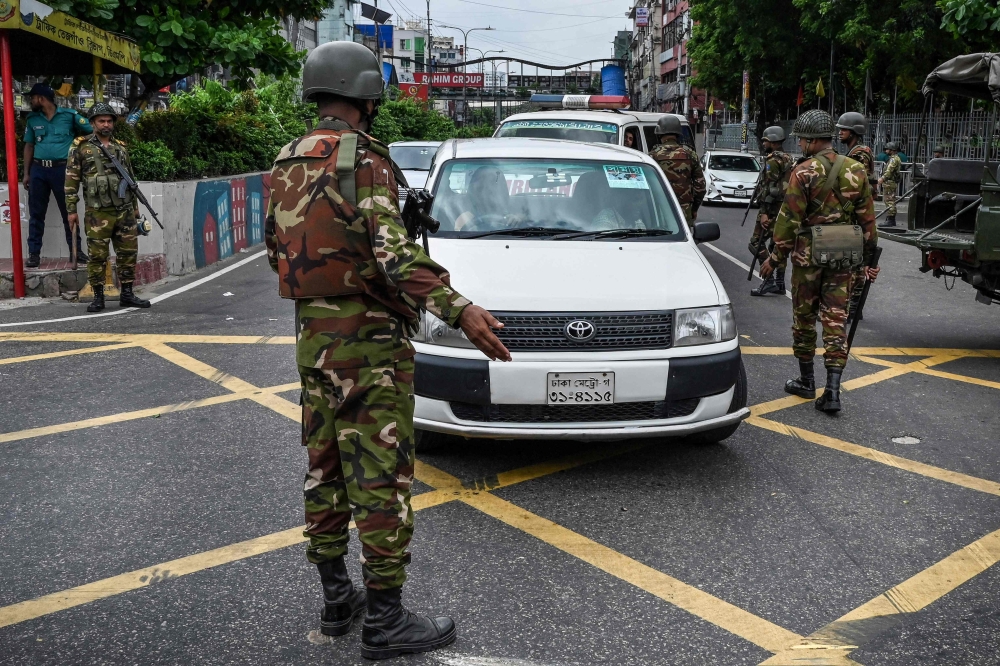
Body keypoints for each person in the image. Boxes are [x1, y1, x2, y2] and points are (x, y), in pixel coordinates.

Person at [263, 41, 511, 660]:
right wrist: (461, 310)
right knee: (380, 476)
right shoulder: (364, 160)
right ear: (367, 96)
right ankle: (385, 619)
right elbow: (396, 256)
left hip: (313, 339)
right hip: (370, 342)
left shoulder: (286, 159)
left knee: (324, 465)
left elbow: (276, 252)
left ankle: (336, 596)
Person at [759, 110, 879, 413]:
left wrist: (774, 259)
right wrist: (867, 262)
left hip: (808, 258)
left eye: (801, 138)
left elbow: (787, 223)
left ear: (812, 140)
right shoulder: (856, 169)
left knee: (804, 318)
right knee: (836, 319)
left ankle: (806, 380)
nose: (799, 143)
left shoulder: (803, 172)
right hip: (844, 257)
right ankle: (834, 391)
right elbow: (868, 224)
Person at [64, 103, 150, 312]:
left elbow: (130, 180)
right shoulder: (81, 147)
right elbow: (71, 180)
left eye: (109, 121)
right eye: (101, 121)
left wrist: (136, 207)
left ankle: (127, 294)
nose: (106, 125)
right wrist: (71, 210)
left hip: (124, 211)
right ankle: (98, 297)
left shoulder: (120, 147)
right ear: (93, 123)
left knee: (128, 254)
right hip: (97, 213)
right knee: (97, 257)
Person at [22, 82, 92, 268]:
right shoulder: (32, 119)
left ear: (41, 98)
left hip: (63, 170)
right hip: (38, 170)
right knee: (36, 214)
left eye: (33, 97)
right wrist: (26, 173)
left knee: (69, 212)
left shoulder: (69, 116)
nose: (31, 100)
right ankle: (34, 254)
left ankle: (75, 251)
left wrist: (78, 150)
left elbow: (91, 132)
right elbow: (29, 146)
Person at [836, 111, 876, 321]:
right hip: (854, 212)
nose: (840, 132)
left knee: (857, 264)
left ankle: (853, 309)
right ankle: (852, 308)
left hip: (857, 213)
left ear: (854, 132)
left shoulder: (859, 154)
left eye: (844, 129)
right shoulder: (854, 152)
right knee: (853, 261)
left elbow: (855, 184)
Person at [749, 126, 794, 296]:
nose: (763, 143)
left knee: (755, 242)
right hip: (784, 208)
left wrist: (764, 212)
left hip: (772, 208)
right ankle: (780, 283)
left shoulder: (773, 160)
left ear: (773, 141)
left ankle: (769, 280)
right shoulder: (788, 158)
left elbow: (770, 189)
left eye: (766, 140)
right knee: (776, 244)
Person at [649, 115, 706, 227]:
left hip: (659, 209)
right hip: (684, 210)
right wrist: (694, 209)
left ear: (660, 134)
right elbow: (701, 187)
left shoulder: (653, 155)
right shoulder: (690, 154)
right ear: (678, 134)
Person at [878, 141, 903, 229]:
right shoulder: (895, 158)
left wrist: (882, 179)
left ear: (892, 150)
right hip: (890, 182)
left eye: (888, 149)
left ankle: (891, 220)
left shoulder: (893, 159)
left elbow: (889, 171)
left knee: (889, 201)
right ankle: (890, 218)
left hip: (889, 182)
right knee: (889, 200)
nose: (886, 150)